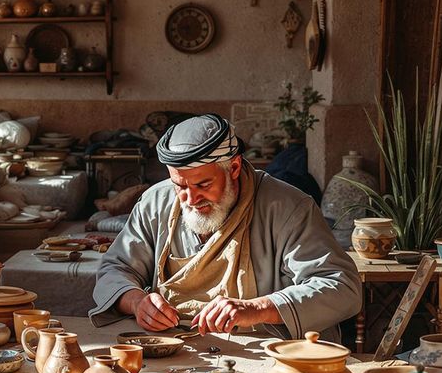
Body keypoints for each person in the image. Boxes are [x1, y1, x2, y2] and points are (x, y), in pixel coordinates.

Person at [91, 113, 360, 342]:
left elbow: (341, 287)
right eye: (180, 186)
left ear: (233, 167)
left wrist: (259, 308)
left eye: (203, 185)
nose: (191, 199)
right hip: (179, 351)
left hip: (266, 356)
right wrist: (137, 301)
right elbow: (115, 270)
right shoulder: (156, 202)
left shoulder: (288, 207)